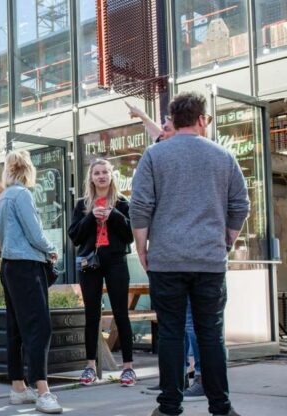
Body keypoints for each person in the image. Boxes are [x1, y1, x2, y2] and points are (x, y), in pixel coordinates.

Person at [130, 92, 249, 416]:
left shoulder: (155, 156)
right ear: (200, 119)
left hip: (166, 259)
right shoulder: (223, 157)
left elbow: (139, 206)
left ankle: (169, 407)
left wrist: (142, 247)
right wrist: (225, 240)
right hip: (209, 261)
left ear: (174, 119)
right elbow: (241, 204)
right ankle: (221, 407)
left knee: (170, 332)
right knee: (210, 333)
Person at [130, 102, 203, 399]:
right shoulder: (164, 156)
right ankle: (179, 378)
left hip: (186, 257)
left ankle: (198, 376)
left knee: (188, 321)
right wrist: (143, 116)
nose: (161, 133)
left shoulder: (187, 158)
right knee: (178, 322)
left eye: (167, 128)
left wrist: (142, 247)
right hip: (173, 256)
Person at [0, 149, 62, 414]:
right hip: (26, 265)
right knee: (39, 327)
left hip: (9, 266)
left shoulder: (3, 196)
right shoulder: (22, 194)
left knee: (16, 328)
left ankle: (18, 387)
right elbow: (34, 233)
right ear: (28, 169)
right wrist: (51, 248)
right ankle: (43, 392)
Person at [68, 159, 136, 387]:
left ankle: (128, 368)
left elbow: (129, 235)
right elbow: (74, 236)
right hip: (90, 264)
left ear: (111, 175)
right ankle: (90, 366)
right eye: (97, 173)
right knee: (92, 315)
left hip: (116, 261)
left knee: (121, 314)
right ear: (91, 178)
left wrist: (113, 215)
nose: (101, 176)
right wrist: (91, 217)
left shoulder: (122, 202)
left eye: (105, 172)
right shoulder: (82, 204)